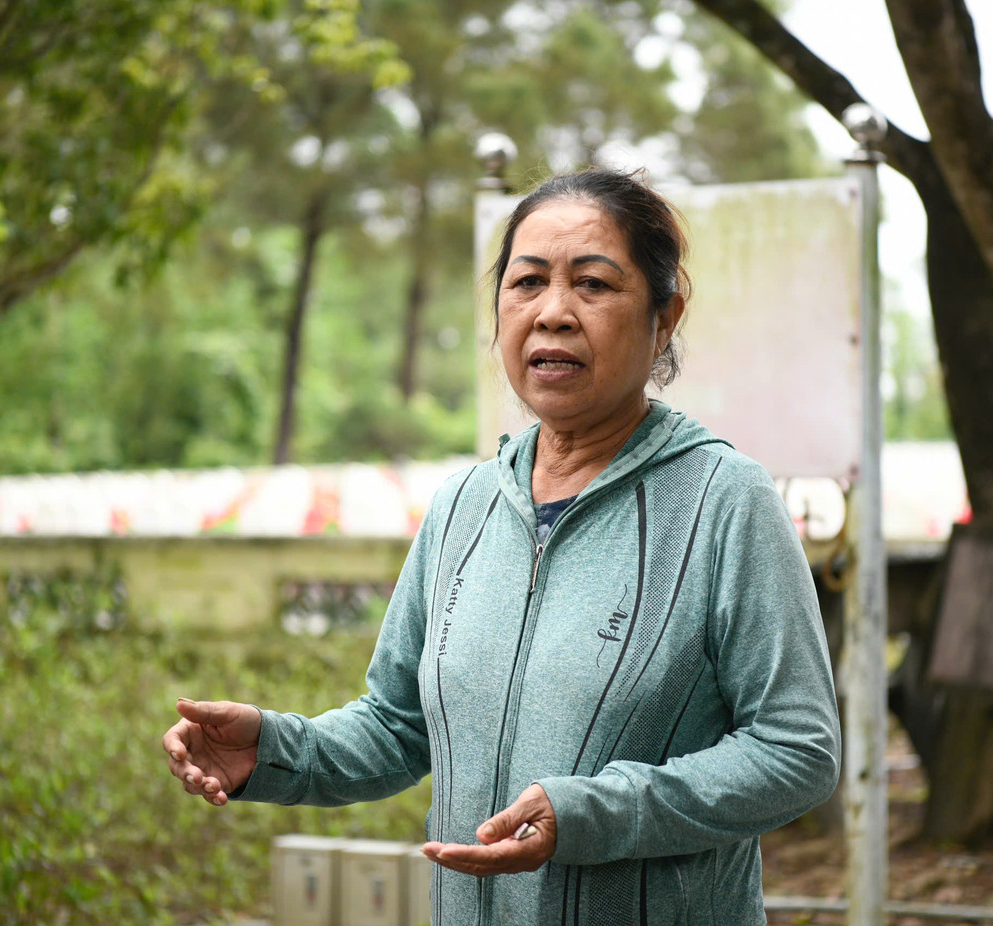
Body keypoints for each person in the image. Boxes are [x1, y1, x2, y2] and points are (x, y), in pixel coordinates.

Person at [163, 168, 841, 925]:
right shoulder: (464, 506)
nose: (553, 313)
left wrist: (593, 812)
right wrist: (276, 749)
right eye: (527, 283)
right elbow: (398, 724)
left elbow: (797, 750)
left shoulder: (724, 501)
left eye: (592, 284)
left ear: (664, 317)